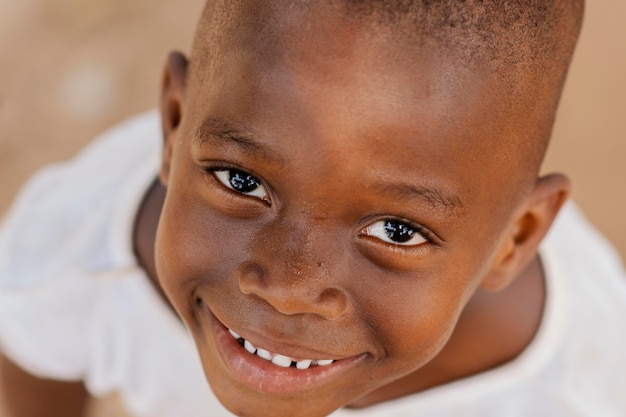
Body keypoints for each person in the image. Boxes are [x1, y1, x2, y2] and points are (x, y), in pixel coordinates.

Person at [1, 1, 625, 416]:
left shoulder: (583, 388)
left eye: (397, 230)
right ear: (174, 126)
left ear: (516, 238)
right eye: (241, 181)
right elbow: (26, 358)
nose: (290, 289)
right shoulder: (73, 258)